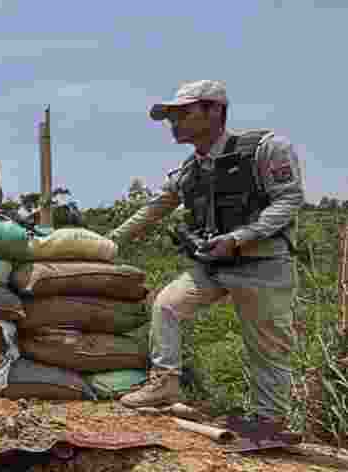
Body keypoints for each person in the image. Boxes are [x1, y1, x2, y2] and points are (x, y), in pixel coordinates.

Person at [108, 80, 304, 439]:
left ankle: (269, 423)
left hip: (262, 264)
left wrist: (239, 238)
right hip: (214, 266)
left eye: (184, 113)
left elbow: (289, 200)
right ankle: (165, 384)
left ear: (215, 111)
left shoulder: (265, 149)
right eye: (171, 116)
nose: (174, 122)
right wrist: (107, 243)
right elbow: (153, 210)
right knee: (167, 305)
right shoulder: (190, 170)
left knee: (266, 346)